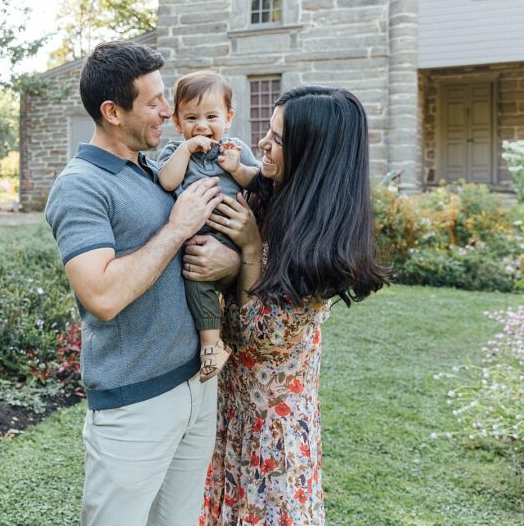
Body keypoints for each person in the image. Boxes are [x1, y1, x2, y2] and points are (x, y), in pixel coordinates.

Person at [44, 41, 241, 526]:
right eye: (154, 102)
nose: (166, 111)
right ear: (112, 111)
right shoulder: (81, 185)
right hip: (135, 406)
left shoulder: (153, 167)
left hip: (196, 383)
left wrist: (231, 258)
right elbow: (103, 295)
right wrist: (178, 226)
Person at [195, 85, 389, 525]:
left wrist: (247, 249)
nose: (262, 143)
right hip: (233, 412)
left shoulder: (324, 246)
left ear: (312, 156)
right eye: (268, 129)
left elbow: (257, 335)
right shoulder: (280, 198)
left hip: (271, 436)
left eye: (278, 139)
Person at [157, 71, 260, 383]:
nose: (201, 125)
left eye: (211, 116)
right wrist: (186, 150)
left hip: (232, 238)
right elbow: (167, 180)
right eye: (191, 117)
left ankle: (237, 332)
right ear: (177, 123)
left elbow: (258, 183)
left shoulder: (234, 148)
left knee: (239, 289)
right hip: (199, 244)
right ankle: (211, 347)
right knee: (195, 280)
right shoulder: (176, 152)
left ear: (228, 118)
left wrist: (237, 168)